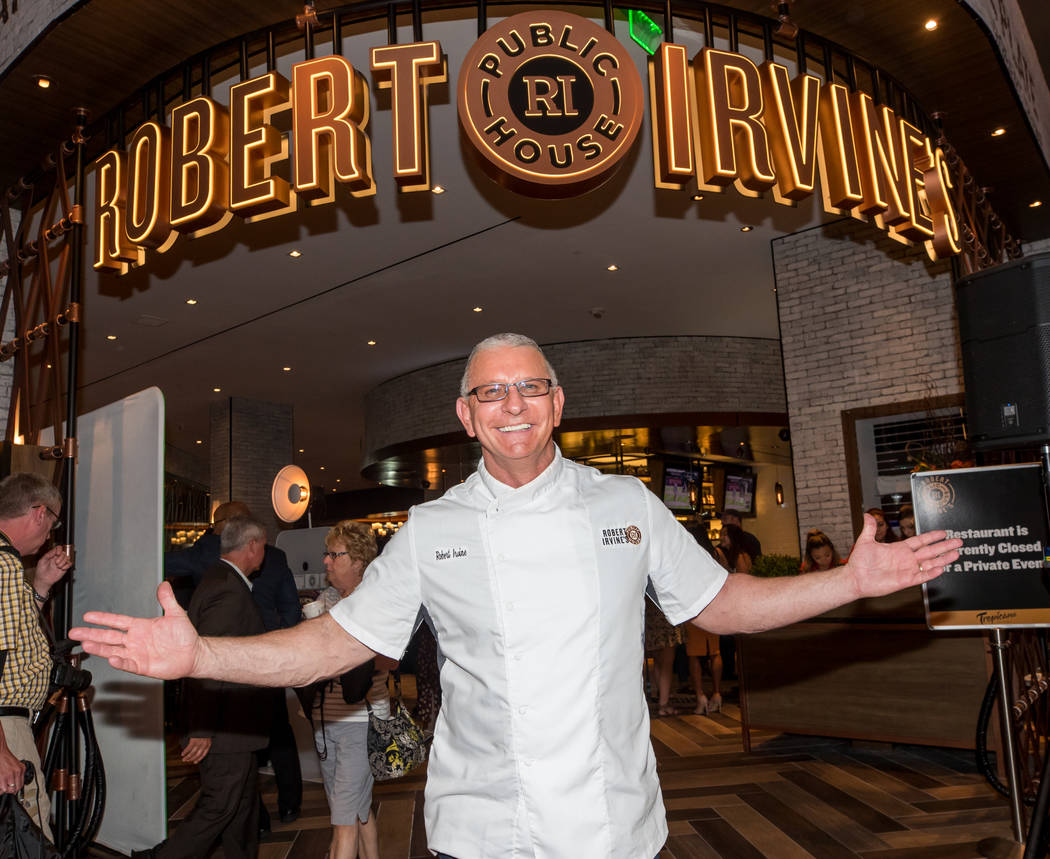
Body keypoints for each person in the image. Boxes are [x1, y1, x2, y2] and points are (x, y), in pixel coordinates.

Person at [73, 333, 962, 859]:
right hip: (479, 831)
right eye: (489, 391)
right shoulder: (430, 527)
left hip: (615, 827)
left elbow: (719, 603)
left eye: (529, 385)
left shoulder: (626, 504)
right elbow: (335, 643)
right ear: (465, 416)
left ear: (557, 402)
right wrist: (199, 657)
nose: (511, 403)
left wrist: (850, 581)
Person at [136, 515, 272, 859]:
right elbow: (208, 665)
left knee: (241, 811)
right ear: (252, 546)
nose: (265, 553)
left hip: (233, 727)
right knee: (219, 808)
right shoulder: (228, 589)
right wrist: (203, 728)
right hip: (224, 729)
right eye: (264, 545)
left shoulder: (224, 581)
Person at [165, 501, 302, 826]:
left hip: (226, 663)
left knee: (234, 743)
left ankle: (257, 819)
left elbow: (161, 560)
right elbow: (292, 610)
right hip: (267, 659)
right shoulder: (276, 556)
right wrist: (274, 639)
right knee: (277, 733)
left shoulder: (208, 552)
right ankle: (288, 805)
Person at [307, 521, 397, 859]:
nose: (327, 561)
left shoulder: (374, 601)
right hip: (325, 722)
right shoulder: (326, 600)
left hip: (362, 721)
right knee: (357, 811)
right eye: (326, 554)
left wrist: (346, 651)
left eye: (335, 554)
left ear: (358, 560)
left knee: (342, 821)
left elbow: (391, 660)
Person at [0, 472, 73, 842]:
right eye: (53, 525)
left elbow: (11, 635)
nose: (50, 537)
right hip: (5, 728)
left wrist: (41, 585)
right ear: (39, 513)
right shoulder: (5, 564)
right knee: (29, 835)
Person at [683, 524, 725, 714]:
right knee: (714, 652)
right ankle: (717, 694)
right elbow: (726, 576)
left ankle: (700, 696)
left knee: (694, 655)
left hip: (694, 607)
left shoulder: (688, 554)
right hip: (714, 606)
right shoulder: (715, 553)